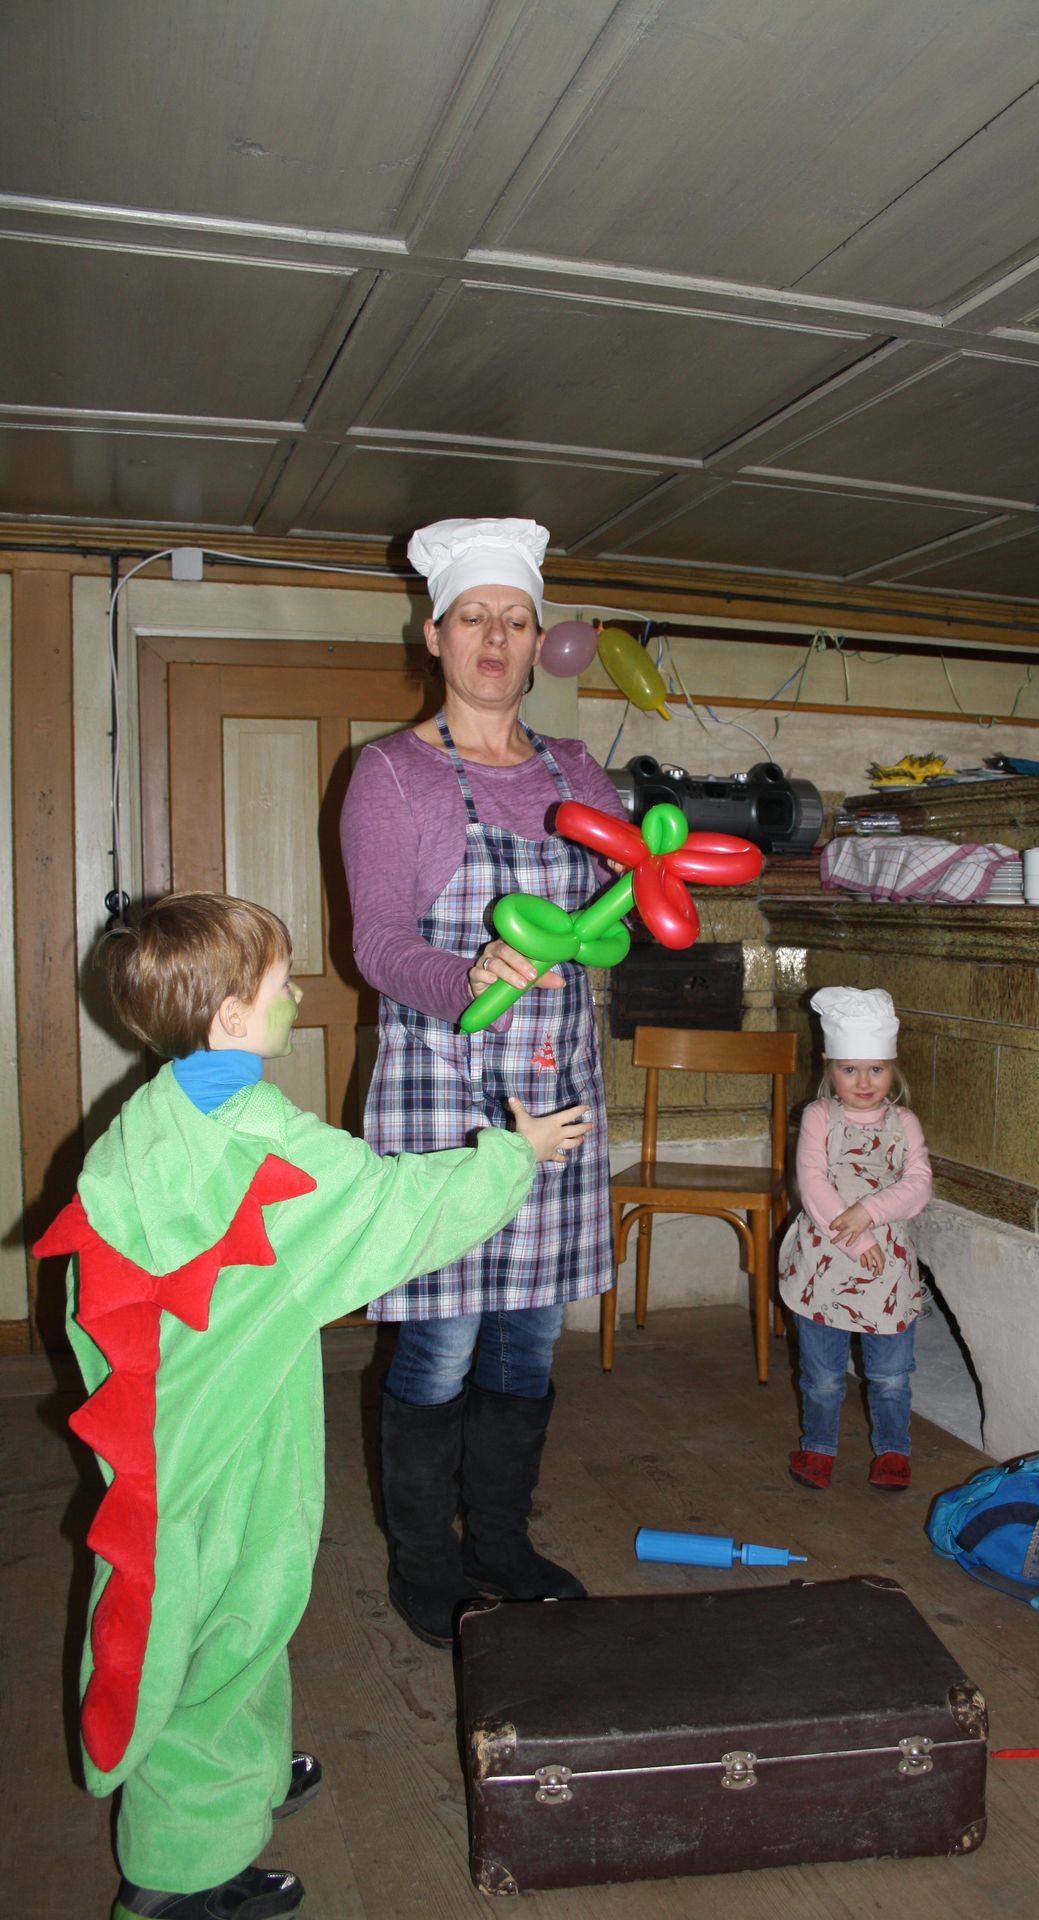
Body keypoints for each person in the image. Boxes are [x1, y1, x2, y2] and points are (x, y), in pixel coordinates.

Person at [35, 892, 587, 1920]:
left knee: (224, 1609)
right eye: (280, 982)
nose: (297, 994)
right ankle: (176, 1869)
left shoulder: (149, 1120)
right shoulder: (269, 1149)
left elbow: (92, 1299)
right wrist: (516, 1155)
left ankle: (233, 1771)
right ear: (231, 1018)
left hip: (164, 1428)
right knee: (229, 1623)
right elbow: (396, 1209)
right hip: (234, 1441)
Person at [339, 515, 626, 1650]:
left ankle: (501, 1545)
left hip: (555, 1090)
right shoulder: (391, 773)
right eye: (474, 619)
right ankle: (425, 1566)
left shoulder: (577, 771)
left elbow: (614, 914)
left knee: (528, 1338)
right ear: (435, 635)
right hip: (443, 1094)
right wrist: (465, 978)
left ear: (539, 637)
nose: (495, 639)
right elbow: (374, 942)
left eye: (514, 619)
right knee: (443, 1342)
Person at [779, 986, 933, 1494]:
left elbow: (918, 1185)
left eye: (876, 1069)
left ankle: (893, 1450)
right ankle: (819, 1446)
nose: (863, 1082)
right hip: (825, 1262)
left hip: (886, 1268)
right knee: (823, 1376)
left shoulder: (904, 1123)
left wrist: (869, 1212)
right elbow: (813, 1184)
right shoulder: (819, 1117)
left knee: (890, 1375)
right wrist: (855, 1240)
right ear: (830, 1067)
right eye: (850, 1070)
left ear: (892, 1068)